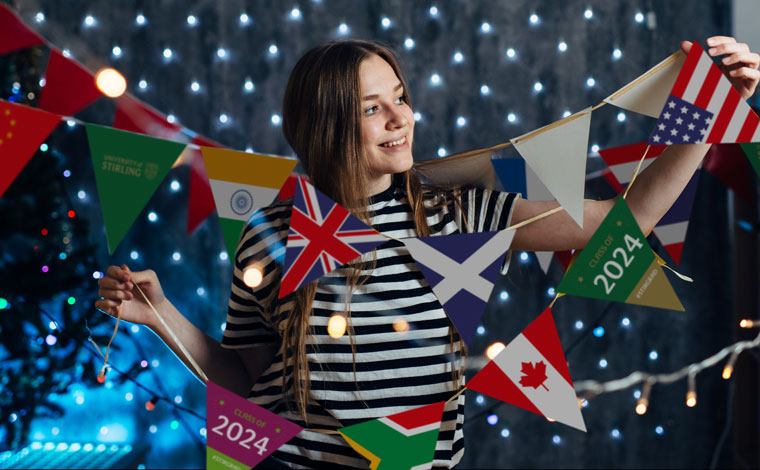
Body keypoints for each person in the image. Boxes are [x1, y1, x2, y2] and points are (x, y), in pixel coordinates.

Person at [96, 37, 759, 469]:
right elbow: (250, 383)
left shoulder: (453, 213)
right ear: (327, 124)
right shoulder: (272, 232)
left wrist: (708, 111)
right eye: (373, 108)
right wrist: (163, 317)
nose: (401, 118)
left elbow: (633, 218)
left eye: (401, 100)